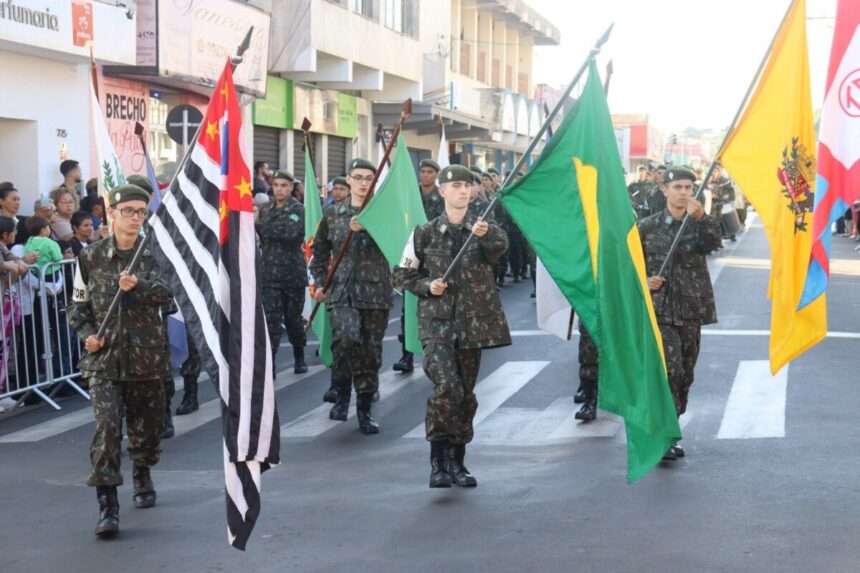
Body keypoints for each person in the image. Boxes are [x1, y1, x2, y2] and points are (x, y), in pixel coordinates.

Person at [394, 164, 511, 488]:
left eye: (467, 185)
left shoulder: (484, 229)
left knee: (465, 395)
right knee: (448, 387)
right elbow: (402, 274)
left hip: (472, 327)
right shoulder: (424, 233)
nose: (462, 190)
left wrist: (489, 234)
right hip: (437, 327)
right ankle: (437, 461)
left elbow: (501, 250)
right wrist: (427, 286)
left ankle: (458, 461)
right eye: (456, 185)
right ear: (443, 191)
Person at [67, 183, 173, 537]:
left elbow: (170, 295)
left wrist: (139, 285)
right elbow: (77, 307)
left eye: (140, 212)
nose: (134, 218)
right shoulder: (91, 257)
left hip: (146, 358)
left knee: (147, 427)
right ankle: (107, 505)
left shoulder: (153, 253)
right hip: (105, 360)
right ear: (111, 213)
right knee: (107, 428)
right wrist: (88, 337)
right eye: (127, 211)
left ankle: (142, 473)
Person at [639, 166, 720, 462]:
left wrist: (701, 218)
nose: (684, 193)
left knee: (685, 375)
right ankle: (664, 436)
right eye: (678, 187)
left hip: (691, 309)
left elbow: (714, 242)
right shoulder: (646, 227)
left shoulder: (698, 223)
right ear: (665, 190)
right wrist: (645, 280)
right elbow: (629, 265)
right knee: (668, 372)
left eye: (688, 188)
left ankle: (673, 421)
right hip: (660, 310)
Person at [310, 158, 391, 434]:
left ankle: (365, 410)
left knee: (370, 354)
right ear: (348, 179)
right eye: (358, 177)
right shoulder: (333, 214)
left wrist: (369, 228)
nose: (363, 183)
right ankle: (342, 394)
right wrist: (321, 283)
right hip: (341, 292)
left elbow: (398, 246)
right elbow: (318, 254)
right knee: (345, 340)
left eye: (369, 178)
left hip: (375, 293)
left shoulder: (383, 215)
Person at [256, 170, 308, 377]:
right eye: (276, 185)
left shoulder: (299, 209)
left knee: (294, 319)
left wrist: (258, 224)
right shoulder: (266, 208)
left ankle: (299, 356)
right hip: (269, 274)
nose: (279, 189)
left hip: (292, 274)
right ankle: (271, 363)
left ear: (291, 187)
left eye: (284, 185)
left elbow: (288, 232)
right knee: (270, 321)